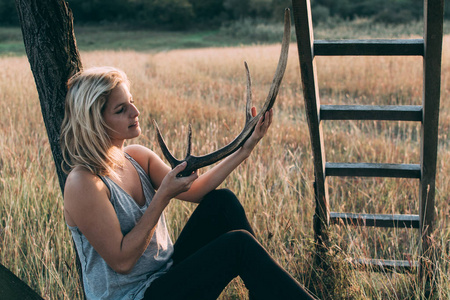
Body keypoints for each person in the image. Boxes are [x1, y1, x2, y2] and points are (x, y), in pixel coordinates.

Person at [61, 66, 314, 300]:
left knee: (222, 202)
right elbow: (122, 262)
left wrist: (245, 150)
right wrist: (162, 198)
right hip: (136, 296)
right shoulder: (84, 183)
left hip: (165, 277)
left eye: (132, 102)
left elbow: (197, 190)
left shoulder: (136, 157)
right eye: (121, 109)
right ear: (95, 121)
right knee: (239, 246)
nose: (135, 112)